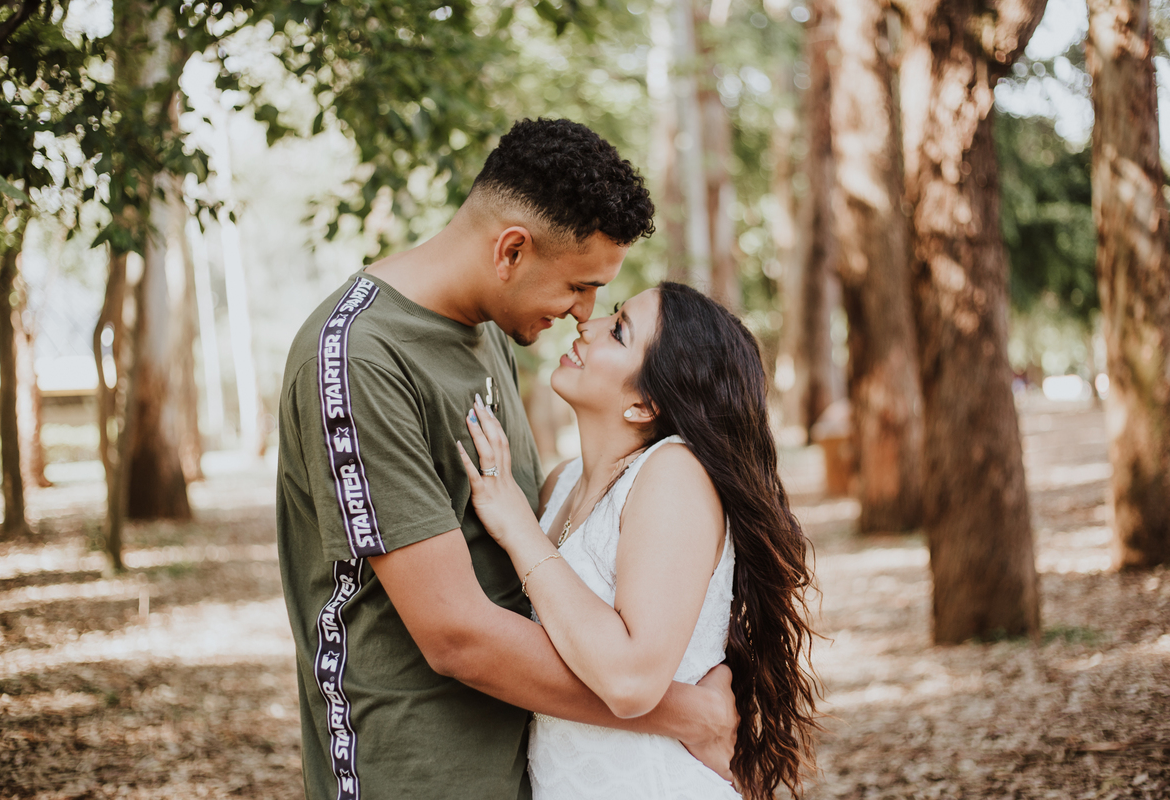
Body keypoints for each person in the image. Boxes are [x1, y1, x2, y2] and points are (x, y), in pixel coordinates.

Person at [275, 118, 737, 800]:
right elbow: (456, 634)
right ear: (511, 250)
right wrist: (686, 712)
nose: (585, 313)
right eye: (580, 286)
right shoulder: (360, 358)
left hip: (525, 768)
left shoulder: (487, 331)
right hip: (415, 771)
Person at [458, 282, 821, 800]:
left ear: (644, 403)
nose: (588, 325)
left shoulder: (674, 474)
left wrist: (515, 525)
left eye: (619, 330)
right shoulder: (560, 483)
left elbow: (631, 681)